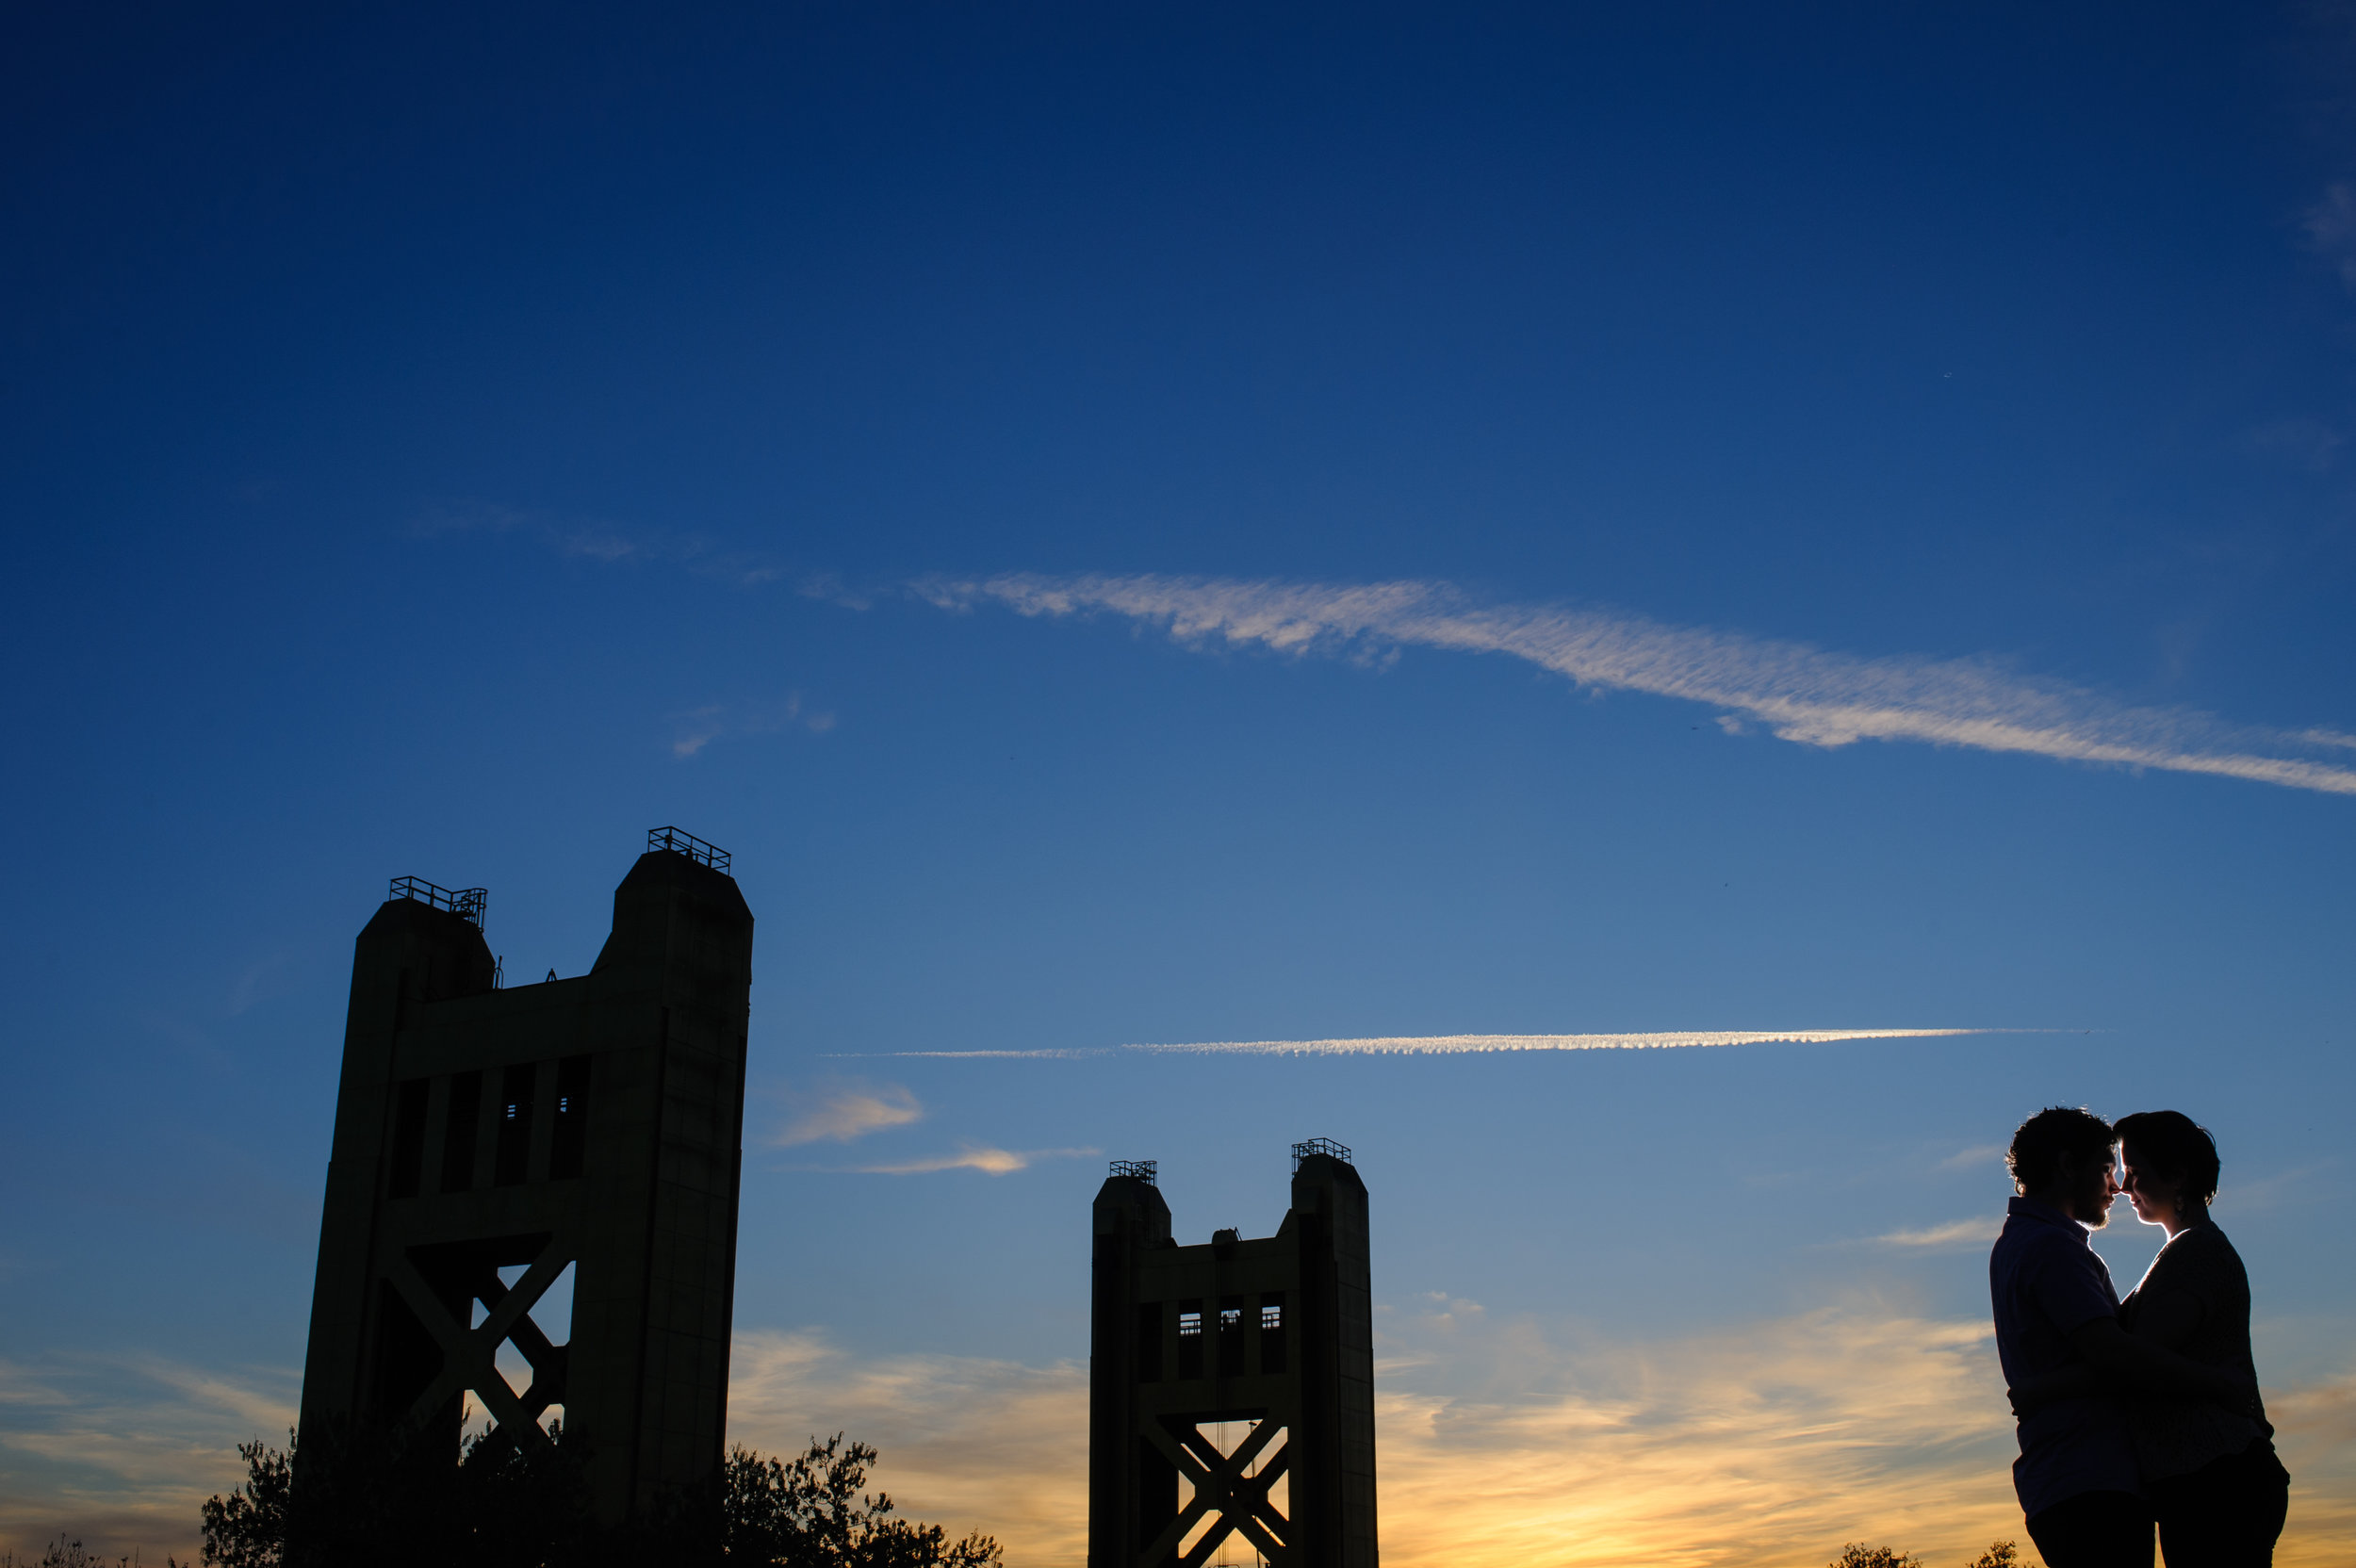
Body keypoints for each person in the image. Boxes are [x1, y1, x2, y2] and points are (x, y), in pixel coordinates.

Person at [1989, 1107, 2253, 1568]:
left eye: (2126, 1171)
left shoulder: (2031, 1243)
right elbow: (2120, 1356)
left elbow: (2126, 1348)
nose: (2116, 1186)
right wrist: (2218, 1383)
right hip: (2089, 1475)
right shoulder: (2052, 1249)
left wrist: (2040, 1389)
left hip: (2085, 1476)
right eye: (2108, 1169)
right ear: (2069, 1166)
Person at [2112, 1110, 2290, 1566]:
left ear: (2177, 1176)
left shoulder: (2198, 1252)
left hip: (2217, 1479)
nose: (2122, 1187)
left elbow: (2141, 1360)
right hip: (2205, 1477)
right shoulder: (2184, 1251)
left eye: (2135, 1173)